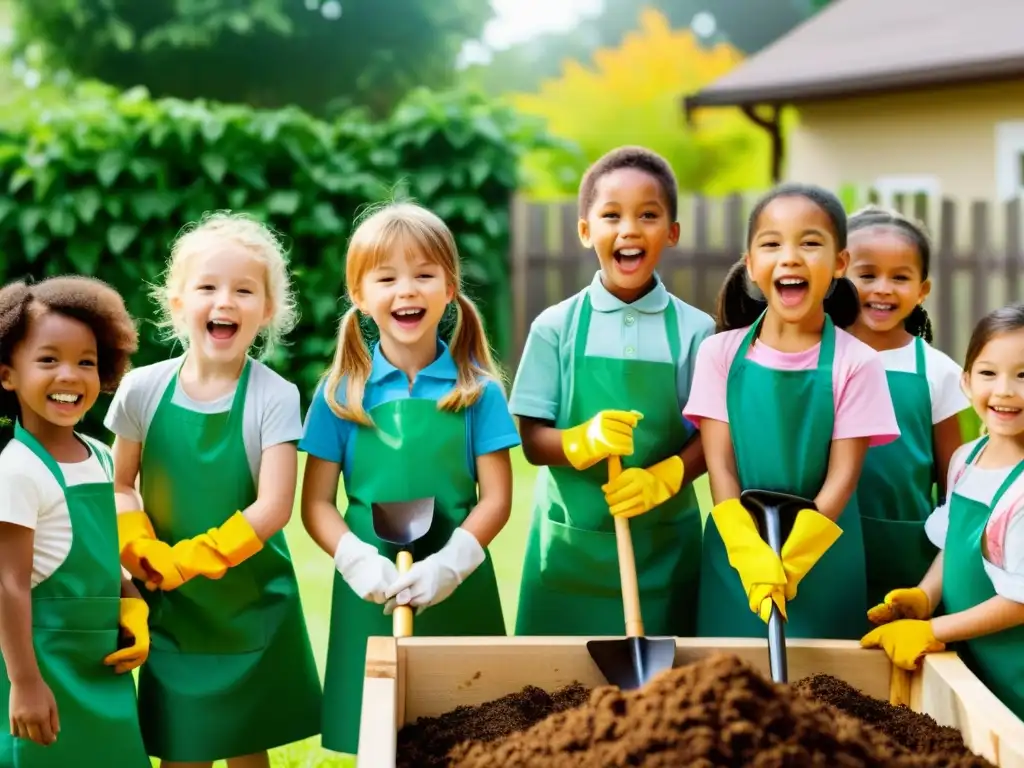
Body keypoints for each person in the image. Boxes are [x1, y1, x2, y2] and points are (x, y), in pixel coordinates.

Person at [300, 201, 519, 755]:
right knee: (377, 738)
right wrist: (356, 562)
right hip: (371, 586)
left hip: (458, 581)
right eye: (387, 277)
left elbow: (496, 498)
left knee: (472, 731)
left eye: (424, 275)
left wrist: (452, 565)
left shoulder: (478, 392)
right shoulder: (338, 394)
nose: (407, 291)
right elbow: (317, 505)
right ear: (359, 294)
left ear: (449, 289)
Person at [104, 212, 322, 768]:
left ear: (267, 310)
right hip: (170, 603)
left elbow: (274, 507)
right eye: (207, 287)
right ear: (177, 302)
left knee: (247, 744)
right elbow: (120, 484)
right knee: (182, 746)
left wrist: (199, 557)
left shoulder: (274, 397)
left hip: (249, 603)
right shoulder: (140, 391)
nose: (224, 301)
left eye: (244, 290)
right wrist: (143, 549)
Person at [510, 146, 715, 638]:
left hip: (664, 550)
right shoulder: (554, 328)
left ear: (672, 232)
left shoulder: (696, 331)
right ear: (586, 231)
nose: (629, 229)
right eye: (611, 215)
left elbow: (714, 437)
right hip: (568, 550)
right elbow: (533, 441)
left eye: (648, 215)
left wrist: (665, 477)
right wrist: (580, 441)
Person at [683, 183, 900, 640]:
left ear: (840, 264)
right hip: (736, 553)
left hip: (823, 553)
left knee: (823, 692)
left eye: (810, 243)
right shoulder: (719, 354)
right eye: (772, 243)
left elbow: (843, 477)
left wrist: (794, 559)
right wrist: (746, 550)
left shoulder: (856, 362)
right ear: (751, 264)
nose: (790, 256)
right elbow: (719, 464)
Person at [0, 276, 149, 767]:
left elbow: (100, 556)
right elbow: (9, 584)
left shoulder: (103, 459)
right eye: (48, 360)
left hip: (101, 667)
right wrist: (24, 683)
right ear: (7, 374)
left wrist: (132, 604)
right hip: (43, 664)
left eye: (86, 362)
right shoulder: (17, 470)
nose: (70, 375)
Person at [862, 303, 1024, 720]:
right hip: (970, 662)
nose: (1005, 390)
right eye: (989, 373)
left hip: (1016, 670)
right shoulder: (967, 460)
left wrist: (932, 629)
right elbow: (954, 544)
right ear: (966, 382)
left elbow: (1019, 600)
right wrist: (925, 595)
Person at [845, 205, 968, 610]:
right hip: (825, 546)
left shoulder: (938, 371)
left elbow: (957, 481)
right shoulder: (818, 358)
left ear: (922, 290)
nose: (883, 288)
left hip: (909, 555)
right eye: (866, 275)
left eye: (900, 277)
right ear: (837, 274)